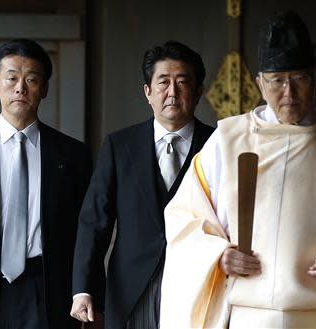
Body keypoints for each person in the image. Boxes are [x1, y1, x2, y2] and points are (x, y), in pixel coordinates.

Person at [159, 12, 316, 328]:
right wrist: (217, 254)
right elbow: (184, 219)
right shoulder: (227, 141)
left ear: (314, 79)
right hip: (247, 311)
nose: (289, 93)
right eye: (277, 81)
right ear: (259, 82)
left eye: (298, 79)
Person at [0, 39, 92, 329]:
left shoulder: (72, 155)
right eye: (11, 78)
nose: (20, 88)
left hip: (45, 289)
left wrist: (86, 290)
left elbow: (86, 232)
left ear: (45, 89)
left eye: (32, 79)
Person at [70, 41, 214, 329]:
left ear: (198, 92)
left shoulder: (218, 145)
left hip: (201, 286)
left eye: (182, 82)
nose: (172, 92)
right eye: (163, 83)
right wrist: (83, 289)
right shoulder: (119, 145)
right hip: (133, 289)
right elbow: (94, 221)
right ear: (148, 92)